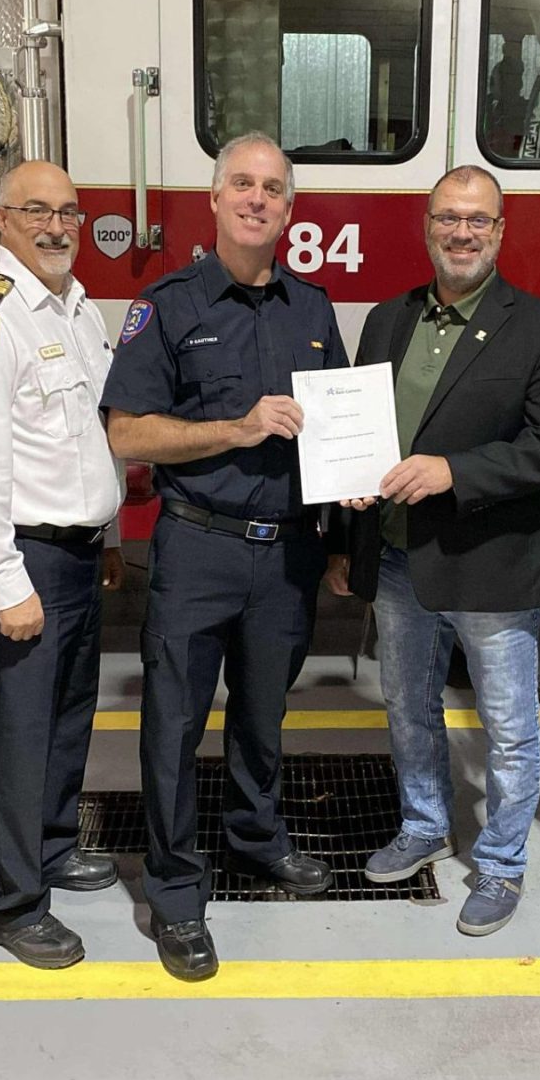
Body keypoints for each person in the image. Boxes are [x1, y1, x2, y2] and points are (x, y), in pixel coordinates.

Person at [102, 131, 347, 981]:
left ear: (287, 208)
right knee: (173, 724)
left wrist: (349, 493)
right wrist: (235, 428)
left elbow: (337, 431)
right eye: (240, 184)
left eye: (272, 189)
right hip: (198, 546)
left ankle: (255, 838)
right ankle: (173, 890)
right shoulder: (168, 305)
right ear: (213, 200)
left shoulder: (311, 310)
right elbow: (127, 431)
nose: (256, 199)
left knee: (261, 716)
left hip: (285, 557)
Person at [328, 165, 540, 937]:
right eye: (448, 219)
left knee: (507, 725)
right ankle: (424, 824)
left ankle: (502, 865)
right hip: (401, 558)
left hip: (492, 562)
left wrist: (453, 471)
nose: (462, 233)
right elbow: (360, 430)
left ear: (500, 232)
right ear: (428, 227)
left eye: (477, 220)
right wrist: (347, 529)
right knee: (408, 706)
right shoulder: (386, 318)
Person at [0, 160, 126, 970]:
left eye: (69, 213)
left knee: (65, 718)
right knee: (16, 731)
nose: (56, 227)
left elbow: (89, 438)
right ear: (1, 221)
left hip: (76, 554)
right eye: (36, 211)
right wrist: (5, 582)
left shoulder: (78, 308)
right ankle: (8, 901)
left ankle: (48, 847)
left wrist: (108, 535)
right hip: (21, 558)